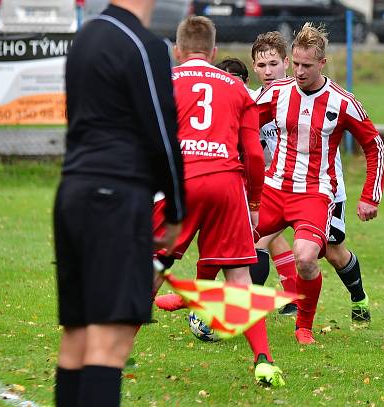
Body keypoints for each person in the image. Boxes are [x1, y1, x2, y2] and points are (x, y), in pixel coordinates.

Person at [53, 0, 185, 405]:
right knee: (109, 343)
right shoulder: (145, 46)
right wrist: (177, 209)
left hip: (72, 194)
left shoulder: (87, 36)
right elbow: (162, 134)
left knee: (77, 334)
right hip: (114, 199)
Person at [150, 16, 284, 387]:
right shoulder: (237, 88)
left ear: (177, 51)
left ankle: (110, 355)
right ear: (212, 51)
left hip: (182, 181)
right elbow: (254, 155)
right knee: (239, 276)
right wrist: (254, 200)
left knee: (154, 263)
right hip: (227, 184)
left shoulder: (165, 82)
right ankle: (263, 361)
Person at [253, 23, 384, 345]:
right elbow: (243, 128)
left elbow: (374, 145)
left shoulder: (342, 102)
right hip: (273, 188)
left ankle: (305, 325)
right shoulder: (277, 93)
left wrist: (371, 196)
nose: (299, 71)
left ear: (322, 64)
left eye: (307, 66)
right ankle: (219, 312)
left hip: (316, 192)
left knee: (314, 256)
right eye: (296, 64)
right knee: (240, 246)